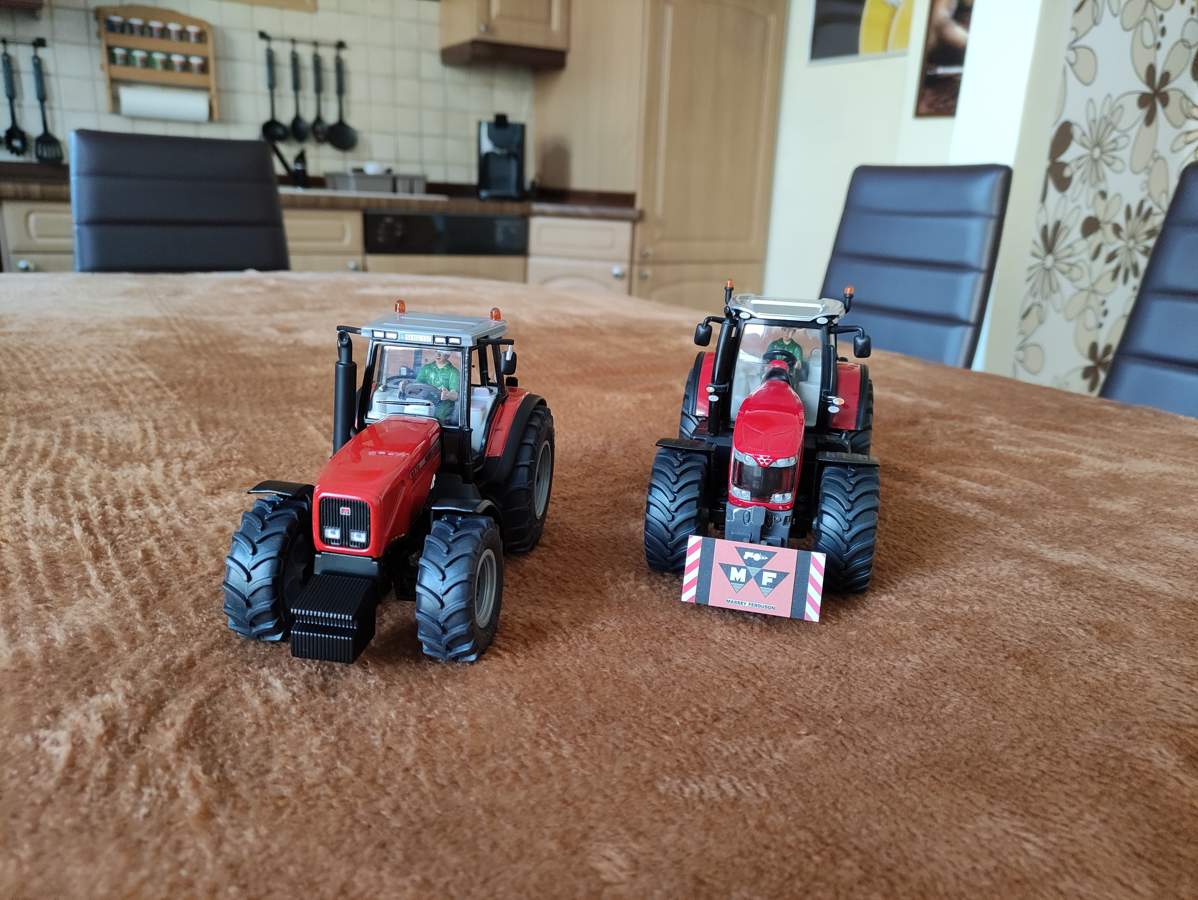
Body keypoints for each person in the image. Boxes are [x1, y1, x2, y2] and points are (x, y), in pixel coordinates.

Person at [416, 350, 461, 424]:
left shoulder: (453, 372)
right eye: (436, 351)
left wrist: (448, 395)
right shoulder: (426, 368)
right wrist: (406, 385)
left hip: (442, 416)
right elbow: (417, 385)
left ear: (447, 355)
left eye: (442, 352)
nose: (438, 354)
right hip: (423, 411)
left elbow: (456, 395)